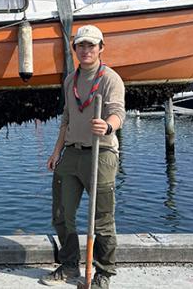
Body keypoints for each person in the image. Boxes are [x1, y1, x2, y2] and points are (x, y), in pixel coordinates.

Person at [41, 25, 125, 289]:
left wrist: (108, 126)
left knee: (101, 218)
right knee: (62, 213)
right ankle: (68, 265)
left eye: (91, 45)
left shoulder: (111, 78)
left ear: (101, 48)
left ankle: (103, 272)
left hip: (101, 154)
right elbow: (66, 118)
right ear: (74, 49)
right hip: (72, 153)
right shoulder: (70, 80)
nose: (86, 50)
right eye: (81, 45)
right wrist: (56, 152)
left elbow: (118, 113)